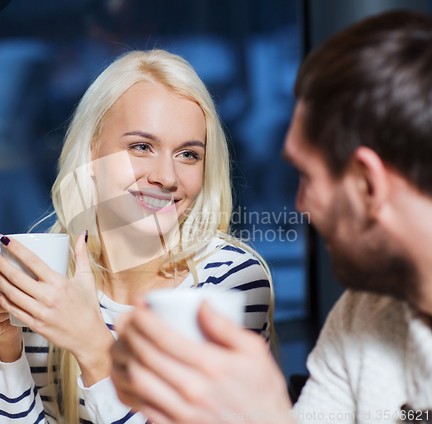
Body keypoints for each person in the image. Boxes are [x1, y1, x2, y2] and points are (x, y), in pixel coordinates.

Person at [111, 10, 432, 424]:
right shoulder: (362, 314)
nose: (301, 205)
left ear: (368, 185)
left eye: (307, 177)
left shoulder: (237, 274)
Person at [0, 49, 273, 424]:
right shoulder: (55, 277)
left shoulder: (231, 279)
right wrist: (9, 347)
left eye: (188, 154)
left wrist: (91, 345)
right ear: (92, 153)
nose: (167, 177)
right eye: (142, 147)